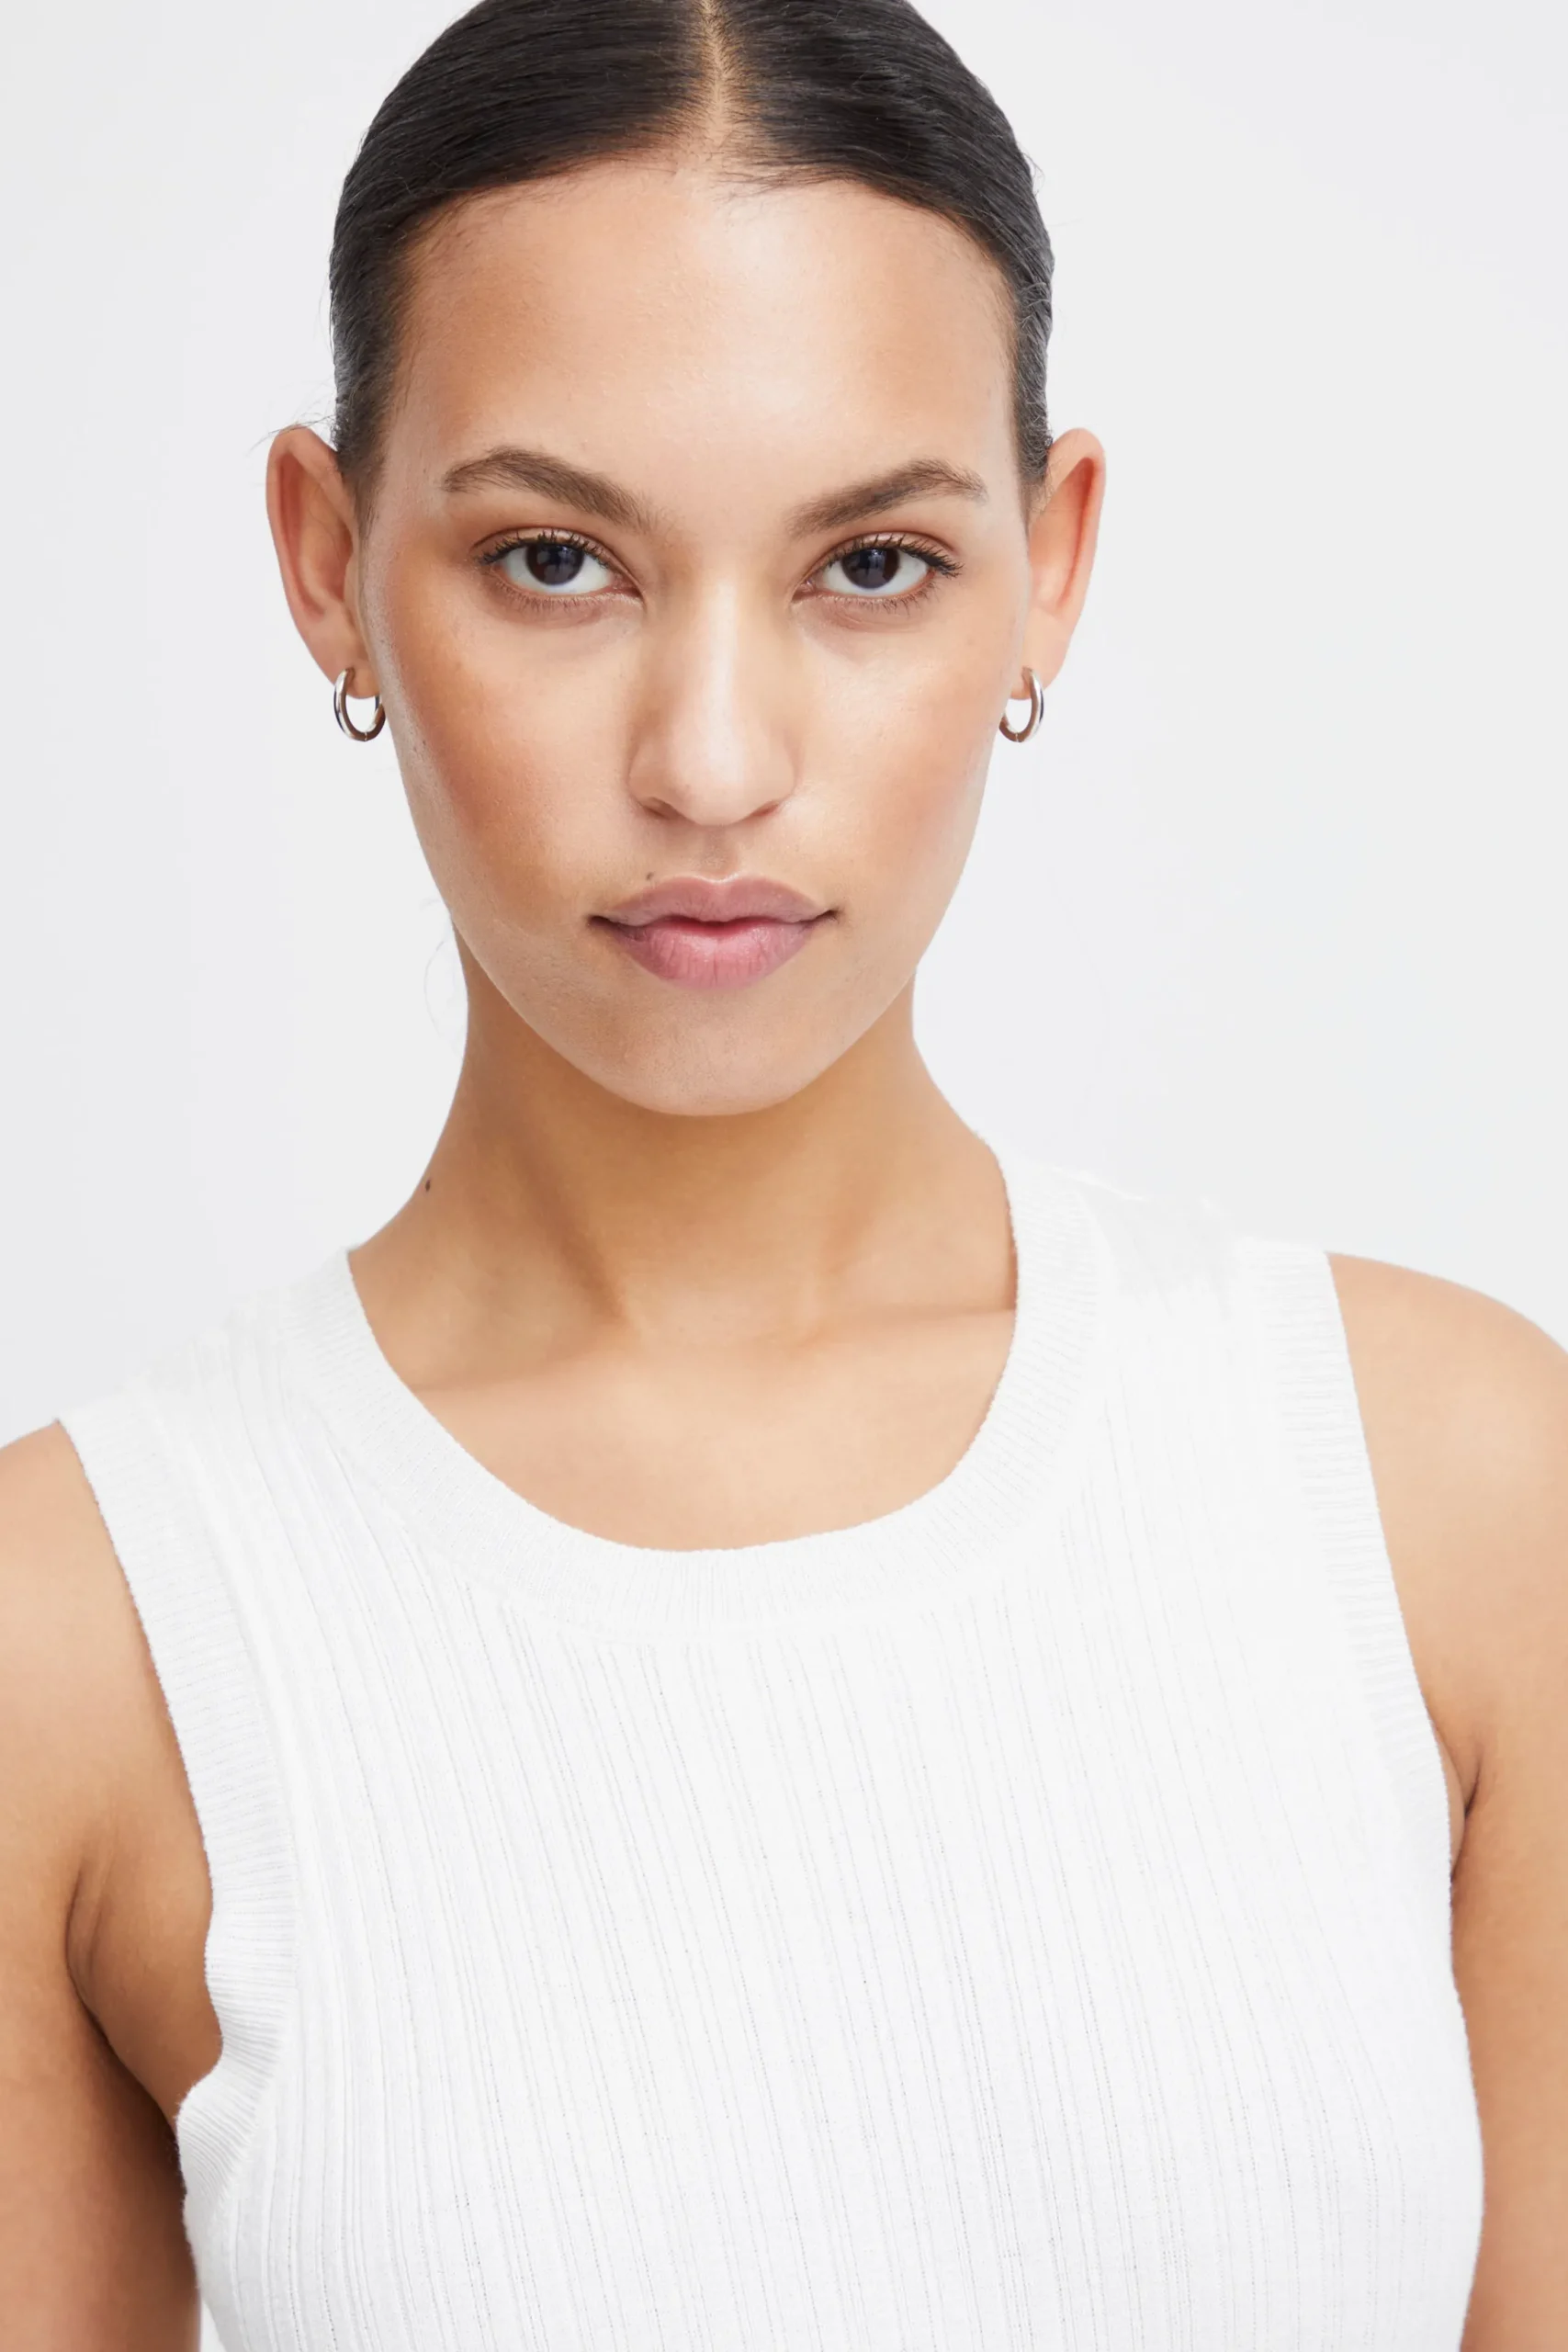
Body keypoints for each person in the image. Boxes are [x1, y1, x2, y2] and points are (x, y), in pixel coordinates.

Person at [1, 0, 1563, 2344]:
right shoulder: (76, 1634)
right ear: (328, 562)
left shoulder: (1444, 1494)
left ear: (1050, 562)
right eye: (555, 559)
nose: (713, 760)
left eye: (870, 565)